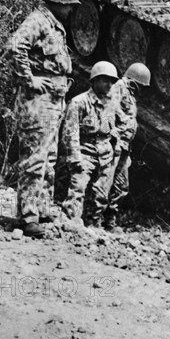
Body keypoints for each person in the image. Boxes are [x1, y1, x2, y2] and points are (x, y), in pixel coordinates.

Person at [7, 0, 80, 238]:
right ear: (58, 3)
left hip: (54, 98)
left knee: (49, 157)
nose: (71, 10)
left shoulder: (54, 25)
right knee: (35, 158)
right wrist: (29, 80)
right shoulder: (38, 20)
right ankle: (27, 217)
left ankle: (42, 208)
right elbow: (16, 46)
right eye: (69, 5)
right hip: (38, 100)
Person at [61, 61, 123, 228]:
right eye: (105, 80)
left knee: (101, 194)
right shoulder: (79, 102)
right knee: (78, 188)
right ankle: (71, 223)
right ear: (94, 80)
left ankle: (94, 224)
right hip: (84, 151)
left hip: (105, 154)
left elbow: (118, 125)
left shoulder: (112, 103)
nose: (109, 84)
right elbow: (70, 133)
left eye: (112, 81)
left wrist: (116, 143)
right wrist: (75, 159)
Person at [106, 62, 151, 231]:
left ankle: (110, 219)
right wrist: (115, 135)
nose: (142, 90)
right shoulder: (119, 87)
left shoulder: (129, 94)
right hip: (115, 143)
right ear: (134, 82)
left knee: (121, 186)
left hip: (124, 146)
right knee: (105, 182)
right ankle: (94, 219)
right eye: (141, 86)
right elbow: (108, 110)